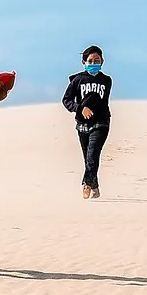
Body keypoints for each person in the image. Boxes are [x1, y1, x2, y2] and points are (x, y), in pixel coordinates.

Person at [62, 45, 114, 198]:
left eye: (97, 60)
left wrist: (90, 109)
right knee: (88, 158)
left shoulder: (106, 81)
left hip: (101, 122)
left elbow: (98, 100)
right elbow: (66, 100)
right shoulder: (77, 80)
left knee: (92, 154)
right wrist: (80, 109)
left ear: (102, 61)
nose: (93, 63)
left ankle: (86, 183)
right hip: (82, 124)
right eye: (90, 61)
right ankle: (95, 186)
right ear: (84, 62)